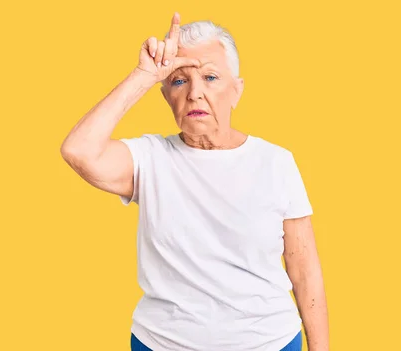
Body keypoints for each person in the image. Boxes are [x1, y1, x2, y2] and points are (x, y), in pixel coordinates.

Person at [60, 12, 329, 351]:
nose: (195, 93)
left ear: (237, 90)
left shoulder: (276, 162)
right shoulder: (149, 159)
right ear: (166, 96)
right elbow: (78, 151)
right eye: (178, 80)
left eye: (211, 77)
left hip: (269, 343)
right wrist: (145, 75)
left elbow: (304, 271)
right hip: (161, 344)